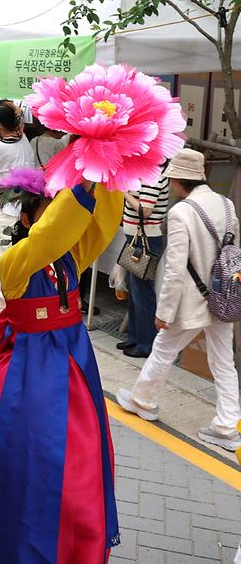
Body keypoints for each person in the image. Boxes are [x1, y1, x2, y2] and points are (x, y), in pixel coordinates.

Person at [0, 167, 123, 562]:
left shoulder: (71, 259)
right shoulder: (15, 262)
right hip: (23, 378)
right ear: (26, 220)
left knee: (77, 471)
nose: (61, 219)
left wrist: (110, 173)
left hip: (72, 371)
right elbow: (49, 234)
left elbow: (101, 225)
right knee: (18, 465)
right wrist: (80, 188)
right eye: (48, 210)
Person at [118, 149, 241, 452]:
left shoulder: (181, 213)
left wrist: (164, 312)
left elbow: (174, 269)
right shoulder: (227, 205)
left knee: (162, 349)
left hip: (191, 300)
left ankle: (144, 401)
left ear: (176, 178)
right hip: (222, 298)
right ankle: (227, 426)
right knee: (224, 363)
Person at [0, 100, 38, 308]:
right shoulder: (23, 140)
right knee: (18, 249)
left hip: (8, 204)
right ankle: (16, 291)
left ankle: (4, 294)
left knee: (3, 251)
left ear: (0, 126)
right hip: (24, 202)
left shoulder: (2, 147)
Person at [116, 165, 170, 358]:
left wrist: (124, 192)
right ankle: (135, 338)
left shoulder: (153, 176)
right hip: (137, 239)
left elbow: (145, 211)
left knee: (142, 292)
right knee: (134, 289)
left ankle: (146, 344)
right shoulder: (146, 173)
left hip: (144, 240)